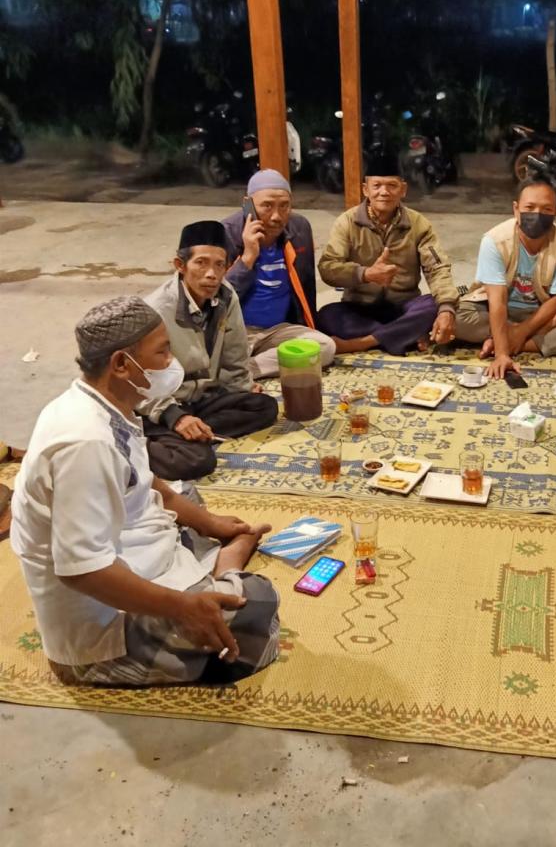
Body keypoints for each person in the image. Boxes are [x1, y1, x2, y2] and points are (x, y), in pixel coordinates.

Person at [10, 296, 280, 686]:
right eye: (163, 351)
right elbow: (82, 571)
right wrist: (184, 608)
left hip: (128, 545)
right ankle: (225, 570)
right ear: (121, 364)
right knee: (255, 603)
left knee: (186, 495)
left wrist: (210, 523)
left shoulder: (103, 403)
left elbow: (146, 481)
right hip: (100, 632)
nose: (173, 362)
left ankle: (209, 574)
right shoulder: (84, 444)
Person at [142, 220, 278, 481]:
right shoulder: (156, 311)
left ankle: (188, 435)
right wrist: (175, 417)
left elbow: (235, 356)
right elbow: (138, 381)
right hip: (162, 406)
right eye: (201, 263)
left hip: (201, 400)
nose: (211, 274)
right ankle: (150, 442)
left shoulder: (226, 296)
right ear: (180, 265)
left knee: (264, 407)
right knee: (198, 461)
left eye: (219, 265)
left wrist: (242, 389)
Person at [455, 173, 556, 379]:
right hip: (497, 309)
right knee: (456, 319)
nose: (537, 214)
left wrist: (519, 333)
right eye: (529, 207)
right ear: (516, 209)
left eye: (546, 209)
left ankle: (508, 340)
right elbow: (497, 300)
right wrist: (501, 355)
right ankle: (539, 333)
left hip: (542, 310)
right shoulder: (494, 240)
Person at [316, 155, 459, 355]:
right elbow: (328, 267)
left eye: (392, 185)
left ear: (403, 189)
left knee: (435, 305)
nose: (384, 192)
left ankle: (363, 342)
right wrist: (365, 274)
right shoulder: (346, 222)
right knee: (326, 315)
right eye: (377, 186)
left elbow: (437, 268)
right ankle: (405, 335)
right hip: (359, 307)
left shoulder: (419, 224)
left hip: (404, 306)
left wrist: (446, 309)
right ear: (365, 189)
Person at [223, 168, 335, 375]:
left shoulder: (299, 227)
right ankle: (239, 368)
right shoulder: (226, 233)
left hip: (278, 331)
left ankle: (244, 372)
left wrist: (309, 327)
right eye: (267, 206)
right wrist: (248, 257)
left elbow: (306, 286)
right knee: (210, 359)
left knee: (325, 348)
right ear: (247, 204)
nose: (276, 216)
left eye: (284, 206)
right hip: (236, 332)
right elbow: (217, 298)